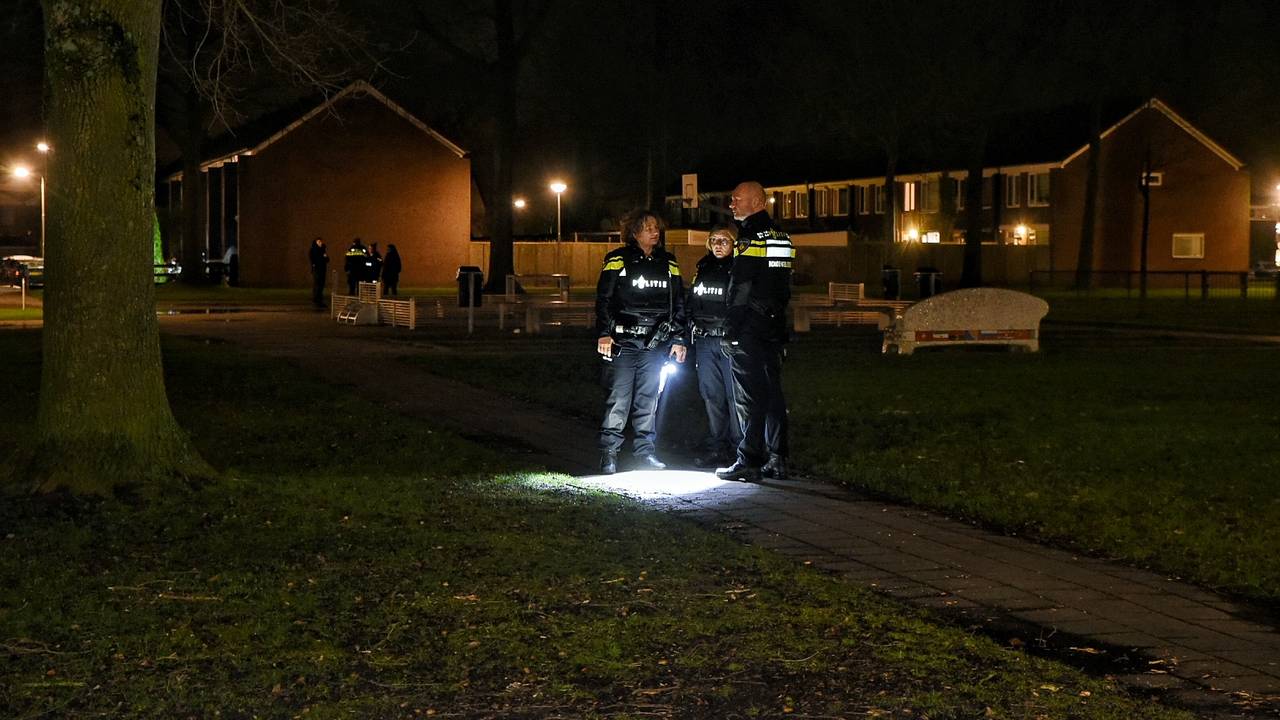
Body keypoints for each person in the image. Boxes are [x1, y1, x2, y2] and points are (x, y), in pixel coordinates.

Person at [594, 209, 688, 474]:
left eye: (656, 227)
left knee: (649, 400)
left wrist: (678, 338)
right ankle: (609, 453)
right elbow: (603, 300)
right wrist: (604, 332)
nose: (654, 232)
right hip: (623, 342)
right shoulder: (617, 260)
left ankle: (644, 453)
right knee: (618, 399)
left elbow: (678, 303)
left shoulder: (668, 262)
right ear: (634, 232)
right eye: (648, 228)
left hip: (655, 344)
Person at [716, 181, 794, 482]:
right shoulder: (782, 236)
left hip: (750, 325)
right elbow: (784, 284)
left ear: (757, 202)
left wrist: (731, 329)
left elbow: (740, 288)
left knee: (748, 395)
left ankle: (749, 459)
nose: (732, 205)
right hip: (774, 325)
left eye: (737, 200)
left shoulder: (749, 236)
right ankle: (778, 458)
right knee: (773, 393)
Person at [686, 224, 741, 468]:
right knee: (711, 396)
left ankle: (741, 450)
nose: (719, 244)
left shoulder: (739, 269)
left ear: (734, 244)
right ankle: (718, 447)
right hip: (705, 342)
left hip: (729, 342)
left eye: (724, 240)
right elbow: (692, 302)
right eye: (714, 240)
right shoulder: (702, 268)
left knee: (735, 397)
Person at [308, 237, 329, 308]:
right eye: (319, 242)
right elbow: (313, 259)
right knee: (317, 285)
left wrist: (325, 257)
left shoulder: (323, 250)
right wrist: (322, 258)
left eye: (321, 242)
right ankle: (317, 300)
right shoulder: (313, 250)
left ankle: (319, 300)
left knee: (321, 285)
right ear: (316, 242)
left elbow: (327, 259)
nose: (320, 243)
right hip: (317, 270)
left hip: (323, 269)